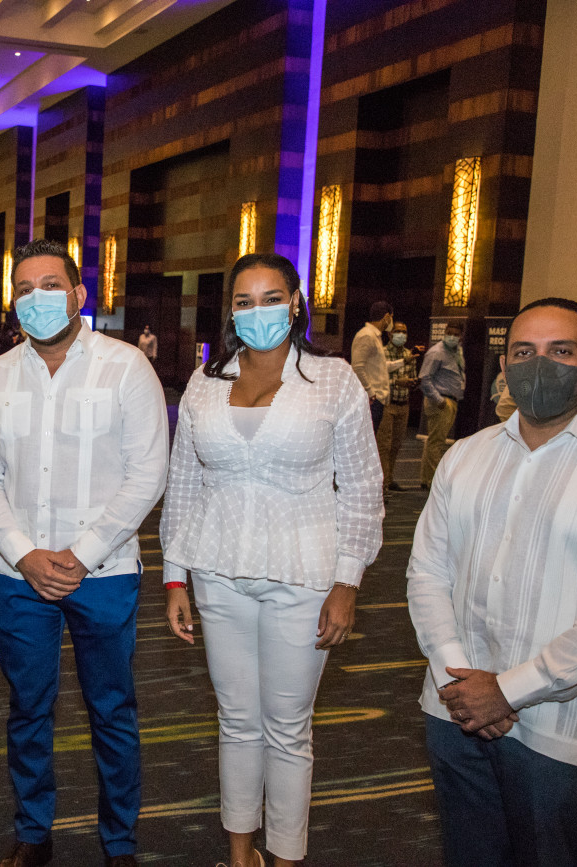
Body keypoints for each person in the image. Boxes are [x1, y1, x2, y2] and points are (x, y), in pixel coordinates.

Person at [407, 297, 577, 867]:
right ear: (504, 364)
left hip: (558, 724)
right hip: (452, 709)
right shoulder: (465, 457)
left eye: (561, 351)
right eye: (524, 352)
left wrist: (507, 691)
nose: (540, 365)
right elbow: (427, 572)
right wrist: (460, 680)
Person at [162, 253, 383, 867]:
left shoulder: (333, 379)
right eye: (244, 301)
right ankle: (241, 857)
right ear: (231, 311)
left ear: (295, 303)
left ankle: (285, 858)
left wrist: (348, 581)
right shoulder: (206, 382)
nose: (257, 311)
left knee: (287, 728)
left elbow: (362, 487)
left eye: (271, 298)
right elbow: (184, 483)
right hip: (217, 572)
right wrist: (175, 576)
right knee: (236, 721)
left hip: (305, 576)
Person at [0, 238, 169, 867]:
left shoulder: (126, 367)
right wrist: (25, 555)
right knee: (28, 709)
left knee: (112, 711)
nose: (37, 299)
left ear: (79, 294)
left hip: (104, 573)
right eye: (24, 289)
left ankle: (120, 843)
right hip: (18, 575)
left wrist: (82, 554)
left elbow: (147, 473)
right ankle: (33, 834)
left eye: (50, 286)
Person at [418, 322, 466, 488]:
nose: (452, 337)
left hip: (452, 399)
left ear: (461, 336)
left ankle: (428, 479)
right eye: (449, 333)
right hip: (440, 401)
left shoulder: (457, 351)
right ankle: (431, 480)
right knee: (436, 442)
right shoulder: (436, 352)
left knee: (438, 441)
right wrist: (439, 400)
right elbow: (424, 378)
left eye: (456, 334)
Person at [376, 320, 420, 491]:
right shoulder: (382, 352)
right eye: (398, 331)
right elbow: (378, 379)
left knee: (396, 445)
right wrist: (397, 382)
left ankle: (389, 478)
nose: (401, 335)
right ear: (389, 334)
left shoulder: (410, 354)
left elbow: (412, 376)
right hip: (387, 404)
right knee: (384, 446)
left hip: (404, 404)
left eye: (404, 332)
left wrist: (413, 382)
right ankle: (382, 483)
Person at [350, 300, 404, 430]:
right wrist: (370, 392)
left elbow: (380, 366)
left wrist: (403, 361)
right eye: (391, 317)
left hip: (376, 399)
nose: (391, 322)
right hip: (371, 400)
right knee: (366, 437)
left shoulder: (375, 336)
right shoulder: (367, 335)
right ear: (386, 317)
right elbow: (357, 367)